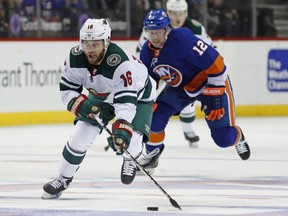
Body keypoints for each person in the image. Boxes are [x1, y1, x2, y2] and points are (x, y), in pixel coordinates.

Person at [42, 18, 156, 199]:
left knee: (132, 141)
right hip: (102, 96)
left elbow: (126, 104)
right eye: (87, 43)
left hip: (138, 96)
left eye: (96, 44)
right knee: (79, 136)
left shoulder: (120, 62)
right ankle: (63, 178)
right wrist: (80, 103)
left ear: (107, 41)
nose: (90, 49)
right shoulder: (74, 57)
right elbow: (67, 90)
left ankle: (130, 159)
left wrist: (121, 128)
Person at [138, 9, 251, 174]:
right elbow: (149, 84)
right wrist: (144, 105)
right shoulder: (147, 53)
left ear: (167, 29)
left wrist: (217, 95)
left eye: (158, 32)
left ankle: (238, 136)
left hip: (210, 83)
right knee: (154, 116)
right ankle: (152, 155)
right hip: (182, 88)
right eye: (150, 33)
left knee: (223, 138)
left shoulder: (182, 39)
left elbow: (219, 64)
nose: (154, 37)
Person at [136, 0, 214, 148]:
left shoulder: (195, 28)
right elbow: (142, 51)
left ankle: (188, 130)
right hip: (159, 68)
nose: (177, 17)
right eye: (173, 13)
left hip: (185, 70)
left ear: (186, 13)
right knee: (159, 103)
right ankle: (150, 138)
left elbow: (209, 48)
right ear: (167, 13)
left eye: (180, 14)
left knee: (186, 100)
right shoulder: (154, 28)